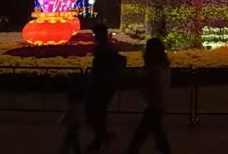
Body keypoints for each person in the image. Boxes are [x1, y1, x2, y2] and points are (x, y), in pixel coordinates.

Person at [126, 38, 171, 154]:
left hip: (153, 105)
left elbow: (139, 76)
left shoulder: (153, 68)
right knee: (157, 134)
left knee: (141, 134)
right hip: (159, 104)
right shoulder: (163, 65)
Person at [85, 23, 126, 152]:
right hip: (104, 86)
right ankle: (100, 139)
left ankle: (102, 138)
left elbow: (104, 66)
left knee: (94, 113)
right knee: (99, 114)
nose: (94, 37)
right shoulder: (106, 47)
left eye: (95, 34)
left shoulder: (105, 48)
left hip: (102, 86)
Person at [59, 89, 84, 154]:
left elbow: (67, 114)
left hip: (73, 124)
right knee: (72, 137)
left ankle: (66, 150)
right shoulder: (78, 105)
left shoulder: (73, 106)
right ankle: (68, 149)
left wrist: (61, 121)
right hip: (75, 123)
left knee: (71, 138)